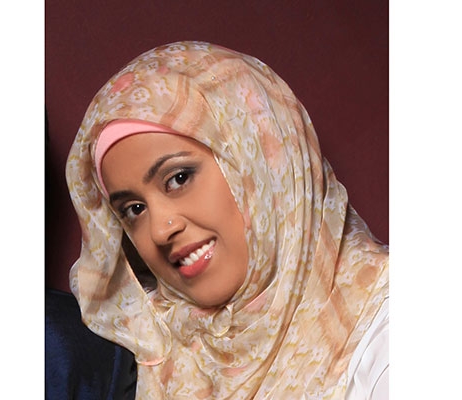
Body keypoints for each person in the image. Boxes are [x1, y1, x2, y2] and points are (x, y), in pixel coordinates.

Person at [66, 41, 388, 399]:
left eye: (179, 178)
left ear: (262, 159)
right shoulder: (149, 347)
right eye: (134, 209)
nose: (159, 230)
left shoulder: (383, 331)